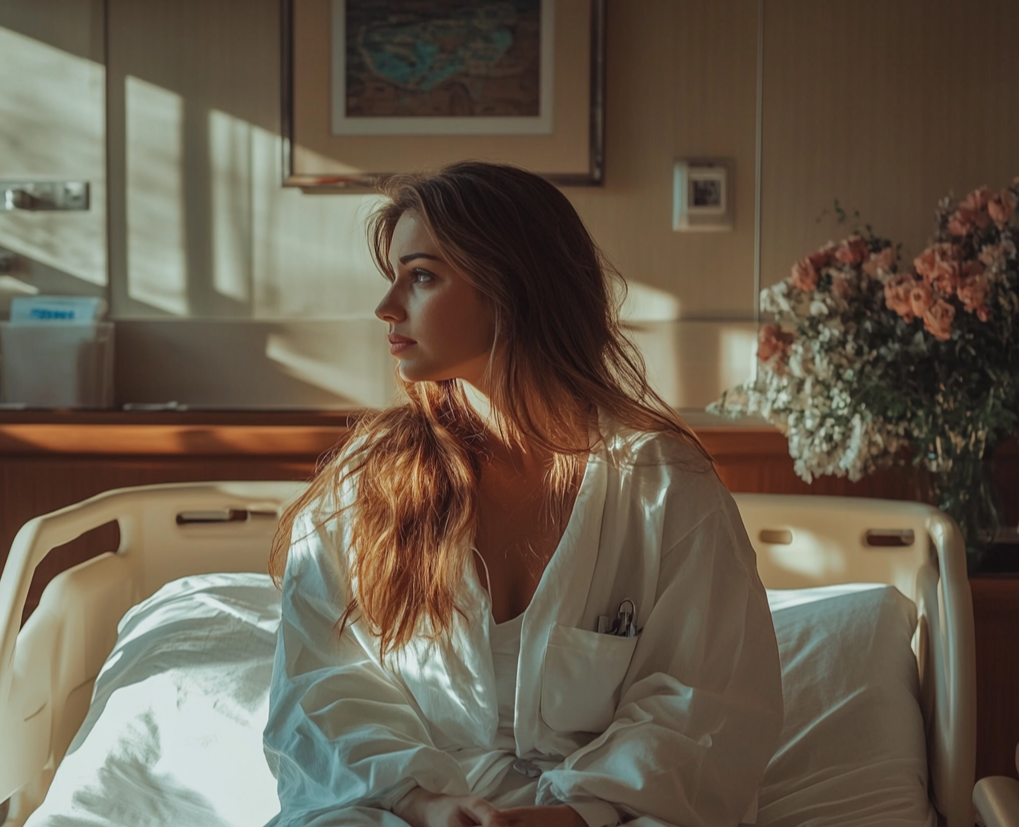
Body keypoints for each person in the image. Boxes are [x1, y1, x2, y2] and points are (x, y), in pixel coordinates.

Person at [262, 161, 783, 827]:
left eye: (421, 275)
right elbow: (323, 691)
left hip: (606, 814)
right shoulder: (368, 483)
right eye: (393, 275)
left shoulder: (663, 487)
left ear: (511, 285)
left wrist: (569, 815)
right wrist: (426, 802)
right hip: (397, 805)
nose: (387, 306)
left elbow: (706, 706)